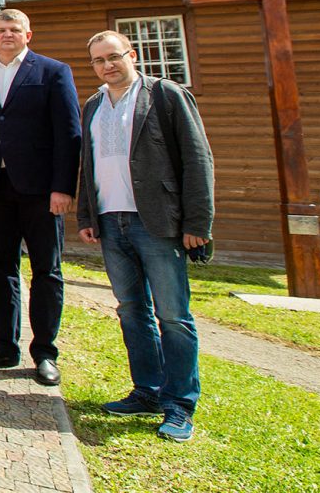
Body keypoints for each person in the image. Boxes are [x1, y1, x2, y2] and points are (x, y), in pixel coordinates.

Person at [77, 30, 214, 442]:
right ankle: (147, 390)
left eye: (113, 57)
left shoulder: (165, 94)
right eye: (99, 61)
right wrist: (87, 213)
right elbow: (89, 161)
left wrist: (197, 223)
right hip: (111, 219)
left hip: (157, 222)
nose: (107, 66)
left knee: (172, 315)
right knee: (131, 309)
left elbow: (197, 155)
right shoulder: (94, 104)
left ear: (131, 55)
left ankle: (180, 404)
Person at [0, 8, 81, 387]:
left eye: (15, 29)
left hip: (41, 191)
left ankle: (44, 352)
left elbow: (69, 133)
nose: (7, 34)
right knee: (0, 268)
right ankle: (4, 346)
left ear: (28, 34)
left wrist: (63, 187)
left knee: (46, 270)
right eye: (0, 29)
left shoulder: (52, 72)